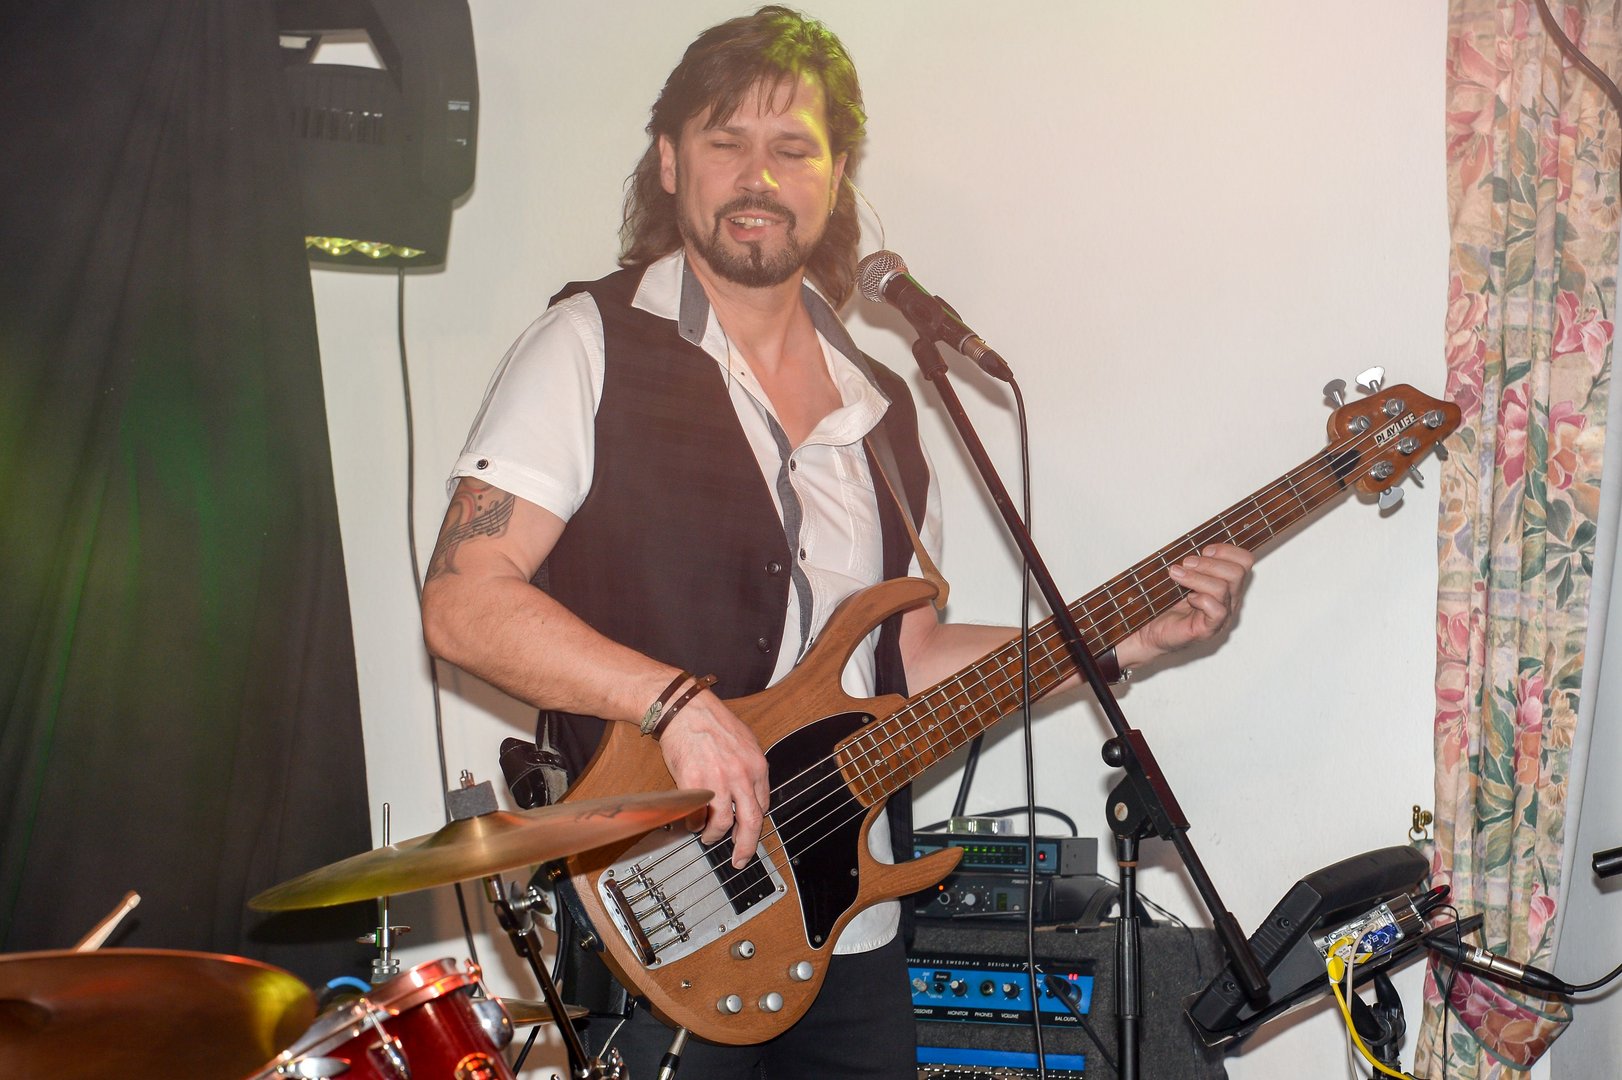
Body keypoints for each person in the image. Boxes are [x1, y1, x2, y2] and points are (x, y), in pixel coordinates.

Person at [420, 7, 1253, 1077]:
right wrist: (672, 704)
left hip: (848, 933)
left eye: (793, 147)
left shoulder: (886, 408)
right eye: (725, 140)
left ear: (836, 173)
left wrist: (1127, 640)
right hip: (660, 915)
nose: (757, 176)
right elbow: (464, 600)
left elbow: (906, 659)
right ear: (669, 162)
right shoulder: (587, 345)